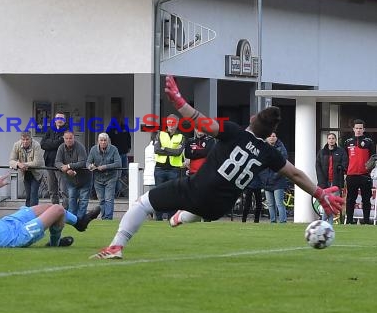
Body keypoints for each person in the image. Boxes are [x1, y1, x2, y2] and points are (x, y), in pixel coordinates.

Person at [90, 75, 344, 259]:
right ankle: (183, 216)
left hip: (198, 189)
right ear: (271, 132)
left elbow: (201, 121)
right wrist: (319, 193)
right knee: (202, 207)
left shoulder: (233, 131)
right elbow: (296, 173)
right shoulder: (269, 154)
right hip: (219, 207)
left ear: (253, 120)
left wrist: (179, 102)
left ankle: (116, 246)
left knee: (142, 204)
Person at [0, 178, 101, 248]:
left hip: (9, 223)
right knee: (57, 210)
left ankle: (80, 223)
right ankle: (55, 244)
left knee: (46, 206)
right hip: (15, 237)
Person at [153, 114, 185, 220]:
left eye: (173, 123)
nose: (171, 125)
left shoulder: (181, 136)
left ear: (177, 124)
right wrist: (171, 150)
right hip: (160, 168)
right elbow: (156, 150)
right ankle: (158, 218)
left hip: (174, 169)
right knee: (158, 194)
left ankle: (171, 217)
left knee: (173, 194)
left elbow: (178, 152)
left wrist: (164, 148)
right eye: (169, 122)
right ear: (167, 123)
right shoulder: (159, 134)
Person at [344, 119, 375, 225]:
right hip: (351, 175)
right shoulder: (347, 142)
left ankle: (366, 221)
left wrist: (369, 169)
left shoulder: (369, 142)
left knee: (366, 200)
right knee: (350, 200)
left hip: (364, 175)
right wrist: (345, 170)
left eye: (360, 128)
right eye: (356, 128)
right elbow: (345, 158)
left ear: (364, 129)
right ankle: (349, 221)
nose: (358, 130)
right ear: (353, 129)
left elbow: (373, 157)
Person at [55, 130, 91, 220]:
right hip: (70, 179)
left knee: (83, 201)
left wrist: (68, 166)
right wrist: (67, 170)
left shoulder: (80, 147)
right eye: (66, 138)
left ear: (74, 138)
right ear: (64, 138)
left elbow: (83, 162)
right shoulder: (61, 148)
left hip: (84, 179)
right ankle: (72, 220)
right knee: (71, 199)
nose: (68, 140)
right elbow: (57, 162)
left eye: (70, 138)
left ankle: (79, 220)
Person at [87, 133, 121, 220]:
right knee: (101, 199)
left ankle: (108, 218)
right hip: (98, 178)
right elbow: (88, 162)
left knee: (109, 199)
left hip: (111, 177)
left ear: (108, 141)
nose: (103, 142)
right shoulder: (93, 149)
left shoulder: (114, 149)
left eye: (105, 140)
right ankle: (104, 217)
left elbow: (118, 163)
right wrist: (90, 166)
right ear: (98, 141)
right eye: (101, 140)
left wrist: (105, 166)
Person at [315, 132, 348, 224]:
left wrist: (341, 167)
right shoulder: (322, 152)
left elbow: (345, 163)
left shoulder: (341, 151)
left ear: (335, 140)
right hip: (325, 183)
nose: (331, 140)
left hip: (336, 182)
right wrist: (321, 181)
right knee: (326, 203)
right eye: (329, 138)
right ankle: (327, 223)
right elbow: (318, 167)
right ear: (327, 140)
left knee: (332, 204)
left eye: (333, 138)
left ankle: (324, 222)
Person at [9, 132, 45, 207]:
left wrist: (24, 165)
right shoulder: (16, 145)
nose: (25, 141)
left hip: (37, 172)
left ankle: (33, 213)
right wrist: (18, 164)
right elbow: (11, 161)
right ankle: (27, 213)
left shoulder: (36, 145)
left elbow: (37, 162)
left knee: (33, 194)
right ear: (21, 139)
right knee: (28, 194)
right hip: (25, 173)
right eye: (23, 139)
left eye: (27, 139)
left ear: (31, 139)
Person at [259, 132, 288, 223]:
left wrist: (274, 177)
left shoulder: (281, 148)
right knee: (270, 204)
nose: (272, 138)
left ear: (276, 138)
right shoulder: (263, 148)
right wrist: (264, 177)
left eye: (274, 136)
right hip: (266, 181)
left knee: (279, 203)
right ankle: (273, 221)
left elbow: (283, 164)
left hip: (278, 181)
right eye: (270, 136)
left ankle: (283, 221)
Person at [40, 113, 68, 205]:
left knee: (64, 190)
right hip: (49, 163)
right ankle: (55, 210)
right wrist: (55, 142)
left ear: (64, 120)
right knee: (52, 189)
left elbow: (61, 144)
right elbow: (42, 144)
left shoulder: (67, 131)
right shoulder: (50, 130)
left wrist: (50, 143)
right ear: (55, 120)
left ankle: (65, 211)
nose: (59, 120)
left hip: (61, 164)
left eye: (61, 118)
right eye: (58, 118)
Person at [106, 114, 131, 196]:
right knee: (117, 174)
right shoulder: (111, 128)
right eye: (117, 118)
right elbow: (106, 139)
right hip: (116, 154)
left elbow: (128, 137)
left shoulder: (125, 127)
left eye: (121, 118)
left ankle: (123, 191)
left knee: (125, 173)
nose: (119, 119)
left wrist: (129, 147)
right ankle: (117, 192)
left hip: (124, 153)